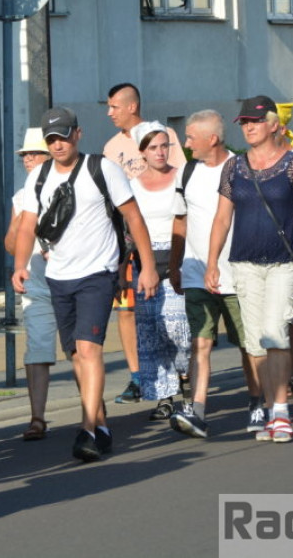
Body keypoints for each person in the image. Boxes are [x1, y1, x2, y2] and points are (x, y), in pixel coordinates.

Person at [13, 107, 158, 462]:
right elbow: (27, 224)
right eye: (51, 139)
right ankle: (102, 422)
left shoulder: (102, 168)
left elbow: (133, 217)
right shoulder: (40, 177)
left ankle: (87, 429)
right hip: (58, 275)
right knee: (76, 355)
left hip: (98, 272)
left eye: (63, 136)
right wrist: (19, 265)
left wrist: (148, 266)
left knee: (90, 349)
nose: (57, 144)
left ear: (77, 134)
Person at [205, 95, 293, 444]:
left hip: (283, 265)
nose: (248, 127)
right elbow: (221, 218)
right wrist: (211, 262)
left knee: (276, 333)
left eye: (255, 121)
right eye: (244, 122)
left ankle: (280, 412)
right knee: (255, 342)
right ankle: (266, 405)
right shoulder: (234, 167)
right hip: (243, 265)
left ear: (275, 125)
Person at [168, 110, 263, 439]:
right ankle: (197, 411)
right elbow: (180, 220)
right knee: (201, 344)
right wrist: (175, 265)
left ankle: (257, 403)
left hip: (237, 274)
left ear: (213, 139)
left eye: (191, 137)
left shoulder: (243, 167)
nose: (186, 143)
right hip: (196, 272)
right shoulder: (188, 170)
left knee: (248, 345)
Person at [103, 83, 186, 405]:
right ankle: (140, 376)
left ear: (131, 106)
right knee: (128, 311)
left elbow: (179, 178)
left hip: (171, 245)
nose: (109, 113)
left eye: (114, 107)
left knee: (174, 319)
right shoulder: (112, 147)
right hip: (130, 245)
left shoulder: (163, 136)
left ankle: (180, 374)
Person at [127, 121, 191, 421]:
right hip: (145, 265)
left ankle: (189, 386)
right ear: (142, 152)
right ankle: (165, 397)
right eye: (153, 147)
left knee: (181, 332)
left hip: (179, 261)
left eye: (165, 146)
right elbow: (126, 230)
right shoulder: (132, 186)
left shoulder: (183, 177)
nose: (160, 152)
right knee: (153, 333)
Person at [3, 128, 57, 440]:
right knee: (36, 350)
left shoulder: (71, 185)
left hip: (71, 280)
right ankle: (37, 418)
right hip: (36, 283)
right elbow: (11, 246)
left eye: (34, 153)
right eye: (25, 154)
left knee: (80, 350)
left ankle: (92, 415)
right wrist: (19, 221)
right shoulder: (21, 196)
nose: (28, 159)